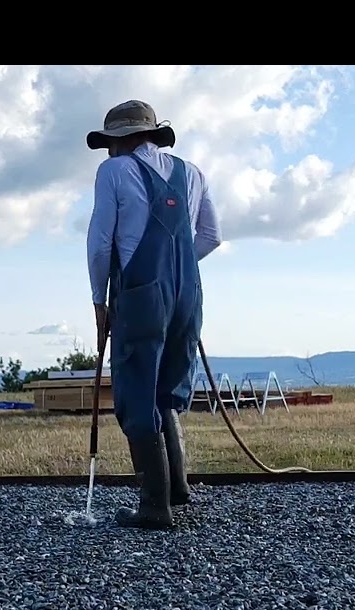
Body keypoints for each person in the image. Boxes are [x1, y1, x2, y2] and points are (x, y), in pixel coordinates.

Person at [85, 99, 222, 530]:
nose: (108, 150)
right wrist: (177, 269)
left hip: (141, 295)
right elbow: (212, 236)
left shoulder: (113, 172)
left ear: (123, 140)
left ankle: (153, 507)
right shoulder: (193, 173)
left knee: (137, 390)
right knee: (168, 389)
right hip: (188, 295)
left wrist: (99, 301)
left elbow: (99, 244)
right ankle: (177, 489)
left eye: (110, 142)